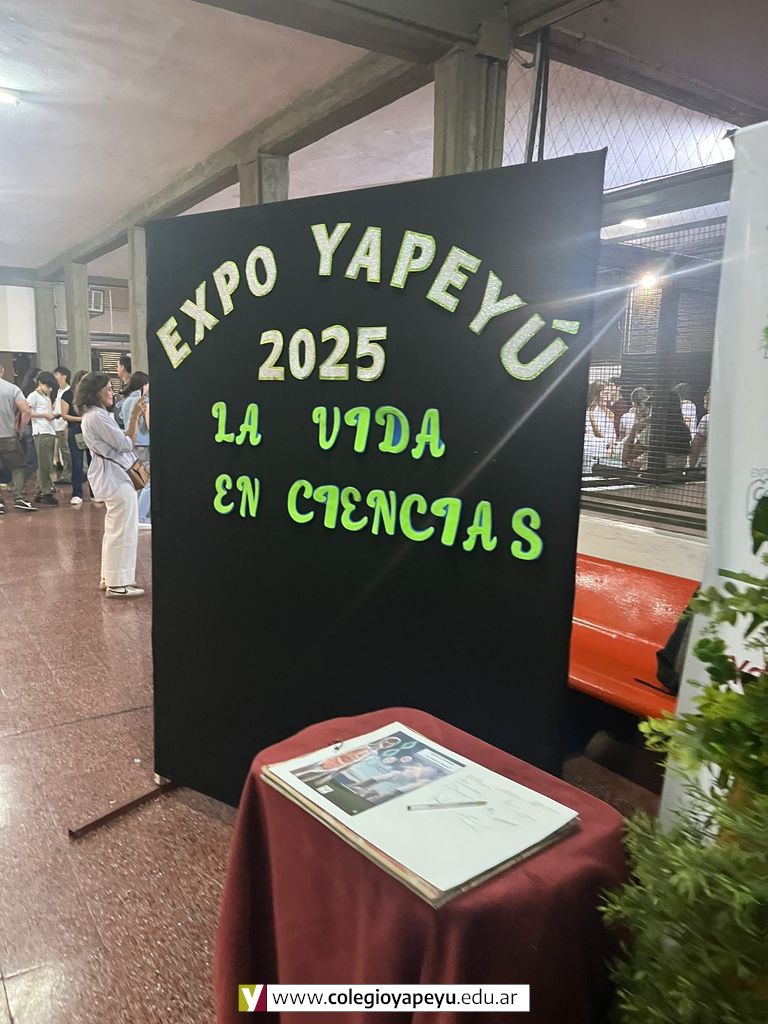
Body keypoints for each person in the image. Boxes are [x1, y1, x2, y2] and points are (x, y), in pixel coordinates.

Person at [78, 372, 144, 598]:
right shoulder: (97, 416)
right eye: (107, 388)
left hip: (110, 477)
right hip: (116, 478)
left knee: (115, 530)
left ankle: (110, 577)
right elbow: (125, 444)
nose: (112, 392)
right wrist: (134, 416)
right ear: (95, 392)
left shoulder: (93, 415)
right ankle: (118, 584)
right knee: (123, 532)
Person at [0, 365, 36, 513]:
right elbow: (26, 410)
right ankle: (19, 497)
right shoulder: (12, 388)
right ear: (2, 371)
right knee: (17, 467)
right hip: (8, 435)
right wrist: (20, 429)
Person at [28, 371, 59, 505]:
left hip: (49, 430)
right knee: (44, 464)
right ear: (40, 383)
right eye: (48, 386)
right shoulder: (33, 396)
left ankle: (40, 489)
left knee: (46, 463)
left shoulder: (46, 396)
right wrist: (45, 415)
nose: (50, 389)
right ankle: (45, 491)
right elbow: (28, 412)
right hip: (41, 432)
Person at [60, 368, 89, 505]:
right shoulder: (68, 394)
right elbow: (64, 415)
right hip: (75, 429)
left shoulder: (90, 395)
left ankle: (95, 492)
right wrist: (81, 419)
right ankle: (77, 493)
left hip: (90, 429)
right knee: (77, 463)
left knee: (93, 463)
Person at [125, 381, 151, 529]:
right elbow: (150, 424)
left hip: (134, 443)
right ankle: (140, 516)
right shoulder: (145, 402)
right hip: (145, 445)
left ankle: (136, 514)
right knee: (149, 482)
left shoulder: (127, 401)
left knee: (139, 480)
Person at [583, 381, 616, 474]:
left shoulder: (610, 413)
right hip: (591, 452)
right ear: (597, 394)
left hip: (606, 453)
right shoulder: (590, 412)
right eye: (606, 393)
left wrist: (612, 446)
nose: (609, 396)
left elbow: (613, 433)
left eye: (609, 392)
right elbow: (594, 434)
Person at [53, 366, 73, 485]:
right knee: (63, 452)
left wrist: (66, 426)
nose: (55, 377)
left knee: (67, 452)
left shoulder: (68, 392)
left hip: (63, 425)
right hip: (57, 425)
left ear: (64, 376)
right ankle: (67, 474)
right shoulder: (58, 391)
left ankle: (68, 476)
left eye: (57, 374)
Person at [689, 388, 710, 469]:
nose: (704, 397)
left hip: (704, 467)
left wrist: (691, 466)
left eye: (708, 394)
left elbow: (697, 444)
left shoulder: (707, 419)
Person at [113, 353, 132, 429]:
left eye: (117, 366)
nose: (116, 369)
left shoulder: (132, 385)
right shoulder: (123, 384)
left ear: (123, 367)